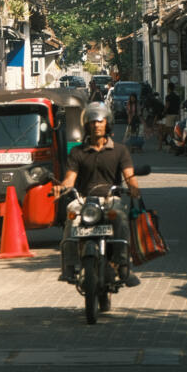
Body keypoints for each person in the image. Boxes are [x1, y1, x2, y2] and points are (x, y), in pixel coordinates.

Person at [55, 101, 141, 284]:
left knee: (119, 218)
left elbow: (129, 175)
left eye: (100, 121)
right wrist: (61, 188)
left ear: (107, 123)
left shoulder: (120, 150)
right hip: (84, 200)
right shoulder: (77, 152)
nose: (96, 125)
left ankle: (123, 266)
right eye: (92, 122)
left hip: (110, 199)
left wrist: (133, 187)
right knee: (71, 219)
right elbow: (70, 179)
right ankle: (69, 267)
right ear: (86, 125)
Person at [161, 82, 181, 147]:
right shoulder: (177, 97)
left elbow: (167, 105)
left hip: (170, 115)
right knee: (175, 130)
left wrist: (163, 112)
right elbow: (179, 106)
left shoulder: (168, 96)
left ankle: (173, 144)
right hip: (176, 115)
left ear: (169, 88)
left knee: (170, 130)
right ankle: (167, 140)